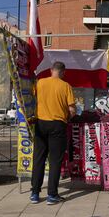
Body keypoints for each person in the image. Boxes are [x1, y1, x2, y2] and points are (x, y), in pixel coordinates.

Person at [30, 61, 76, 205]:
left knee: (39, 159)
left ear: (51, 70)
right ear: (63, 72)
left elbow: (30, 100)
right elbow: (72, 110)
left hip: (40, 123)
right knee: (55, 161)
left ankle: (35, 194)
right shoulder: (66, 86)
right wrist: (68, 118)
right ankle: (52, 195)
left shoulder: (40, 83)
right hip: (58, 125)